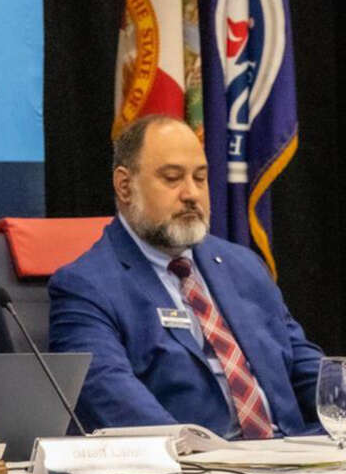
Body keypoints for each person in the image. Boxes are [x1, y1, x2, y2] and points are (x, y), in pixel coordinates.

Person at [49, 114, 322, 437]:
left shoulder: (243, 266)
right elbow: (116, 403)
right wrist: (205, 455)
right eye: (172, 178)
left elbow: (307, 371)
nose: (191, 194)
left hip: (294, 459)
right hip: (199, 470)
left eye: (200, 178)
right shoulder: (85, 287)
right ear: (125, 186)